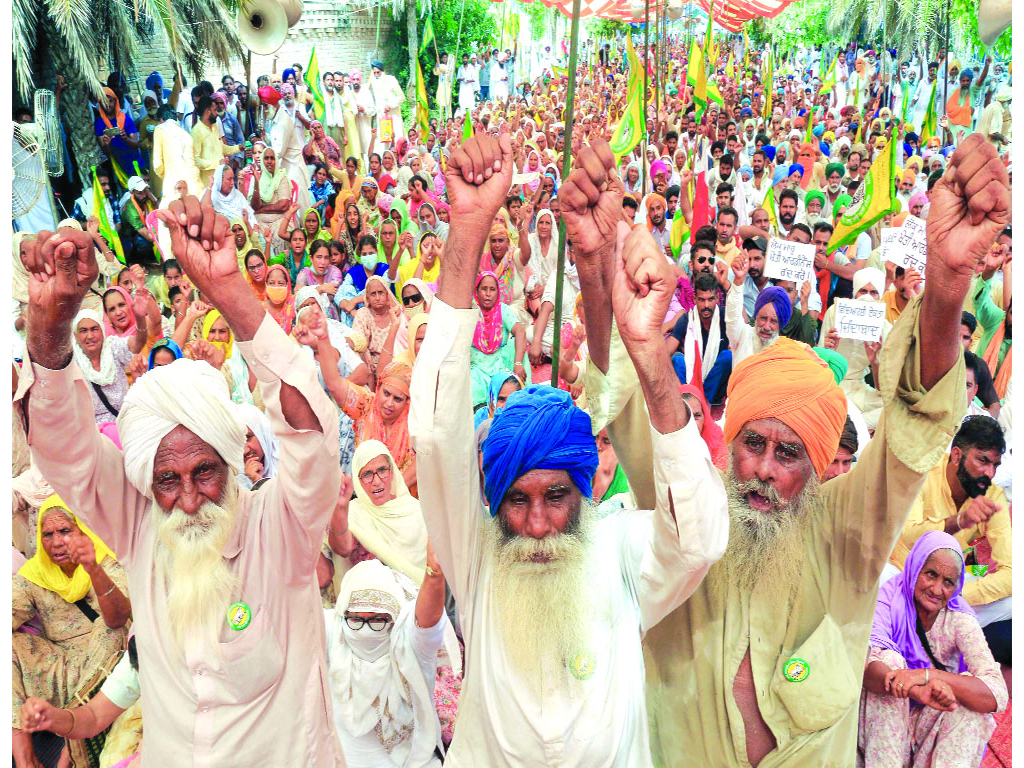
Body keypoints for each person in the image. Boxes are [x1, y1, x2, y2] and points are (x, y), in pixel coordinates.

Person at [634, 133, 1010, 767]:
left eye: (789, 455)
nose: (762, 470)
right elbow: (629, 416)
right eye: (752, 443)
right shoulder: (685, 533)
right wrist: (598, 272)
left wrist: (946, 287)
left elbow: (913, 424)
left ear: (816, 469)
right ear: (729, 441)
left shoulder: (847, 536)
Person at [408, 134, 729, 765]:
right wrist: (468, 229)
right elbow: (435, 432)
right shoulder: (477, 561)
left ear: (584, 490)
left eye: (556, 496)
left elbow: (698, 538)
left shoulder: (618, 553)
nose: (535, 524)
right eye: (517, 500)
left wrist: (650, 359)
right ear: (492, 501)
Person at [16, 198, 346, 764]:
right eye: (167, 479)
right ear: (148, 480)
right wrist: (51, 328)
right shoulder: (143, 524)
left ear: (231, 463)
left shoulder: (280, 531)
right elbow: (65, 450)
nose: (188, 499)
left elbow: (310, 438)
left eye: (205, 473)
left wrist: (230, 294)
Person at [859, 532, 1007, 766]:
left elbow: (996, 694)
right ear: (915, 567)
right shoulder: (888, 600)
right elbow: (867, 670)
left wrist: (930, 676)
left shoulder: (959, 617)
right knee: (890, 662)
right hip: (879, 727)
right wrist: (911, 688)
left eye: (948, 582)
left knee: (969, 704)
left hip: (926, 720)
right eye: (931, 574)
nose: (937, 590)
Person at [13, 495, 130, 768]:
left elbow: (118, 617)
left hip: (106, 665)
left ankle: (69, 753)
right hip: (59, 667)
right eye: (48, 534)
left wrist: (92, 568)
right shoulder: (35, 574)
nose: (56, 542)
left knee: (108, 627)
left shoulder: (106, 560)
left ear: (83, 530)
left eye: (65, 531)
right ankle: (26, 760)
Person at [324, 555, 448, 767]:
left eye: (377, 619)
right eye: (356, 619)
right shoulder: (333, 631)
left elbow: (427, 622)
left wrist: (435, 572)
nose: (365, 630)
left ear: (394, 618)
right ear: (343, 613)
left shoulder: (410, 643)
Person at [888, 416, 1010, 625]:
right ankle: (938, 627)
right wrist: (959, 521)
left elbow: (1011, 570)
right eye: (982, 461)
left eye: (995, 465)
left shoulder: (991, 494)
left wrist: (955, 594)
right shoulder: (921, 473)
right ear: (956, 456)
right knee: (880, 579)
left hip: (951, 585)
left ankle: (937, 624)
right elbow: (908, 537)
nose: (989, 473)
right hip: (902, 574)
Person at [326, 440, 428, 583]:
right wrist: (340, 510)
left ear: (392, 472)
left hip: (413, 598)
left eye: (382, 470)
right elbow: (342, 549)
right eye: (367, 474)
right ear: (358, 479)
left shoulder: (416, 511)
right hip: (367, 598)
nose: (377, 481)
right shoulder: (353, 512)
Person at [470, 271, 529, 407]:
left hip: (500, 364)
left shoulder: (502, 309)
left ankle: (523, 404)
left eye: (492, 289)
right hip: (477, 369)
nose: (488, 294)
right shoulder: (471, 311)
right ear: (477, 291)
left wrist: (518, 363)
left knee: (516, 344)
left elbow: (519, 331)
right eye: (484, 289)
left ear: (498, 292)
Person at [723, 256, 792, 366]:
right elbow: (733, 316)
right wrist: (738, 283)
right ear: (756, 316)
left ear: (780, 324)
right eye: (763, 318)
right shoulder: (742, 335)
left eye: (773, 321)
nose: (766, 326)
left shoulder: (784, 352)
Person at [191, 95, 241, 187]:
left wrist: (239, 148)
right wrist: (218, 163)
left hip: (221, 180)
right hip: (208, 183)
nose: (216, 113)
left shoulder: (214, 127)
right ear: (207, 111)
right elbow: (196, 160)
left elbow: (222, 148)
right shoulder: (196, 131)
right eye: (214, 110)